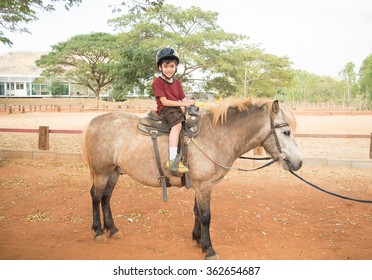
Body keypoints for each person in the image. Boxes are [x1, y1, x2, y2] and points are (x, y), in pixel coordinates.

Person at [152, 47, 196, 173]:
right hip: (165, 109)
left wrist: (188, 104)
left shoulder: (177, 83)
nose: (169, 69)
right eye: (166, 66)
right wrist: (183, 104)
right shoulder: (157, 82)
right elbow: (164, 101)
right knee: (177, 125)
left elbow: (183, 98)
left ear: (176, 67)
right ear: (160, 67)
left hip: (175, 109)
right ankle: (172, 160)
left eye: (172, 66)